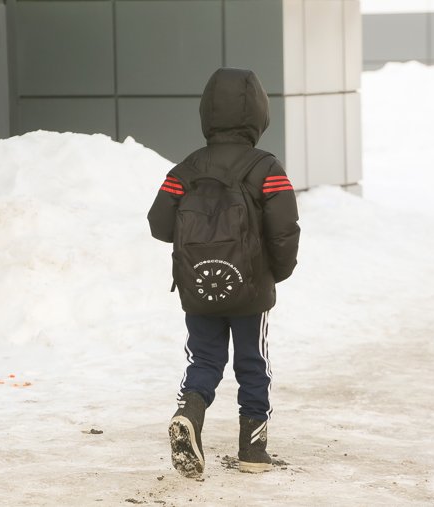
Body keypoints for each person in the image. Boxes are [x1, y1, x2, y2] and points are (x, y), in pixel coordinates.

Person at [147, 67, 300, 478]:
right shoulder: (267, 168)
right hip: (251, 291)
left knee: (204, 358)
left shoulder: (186, 169)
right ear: (259, 114)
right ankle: (252, 451)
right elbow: (284, 229)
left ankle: (190, 414)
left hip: (200, 289)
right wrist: (275, 274)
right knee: (253, 362)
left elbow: (159, 225)